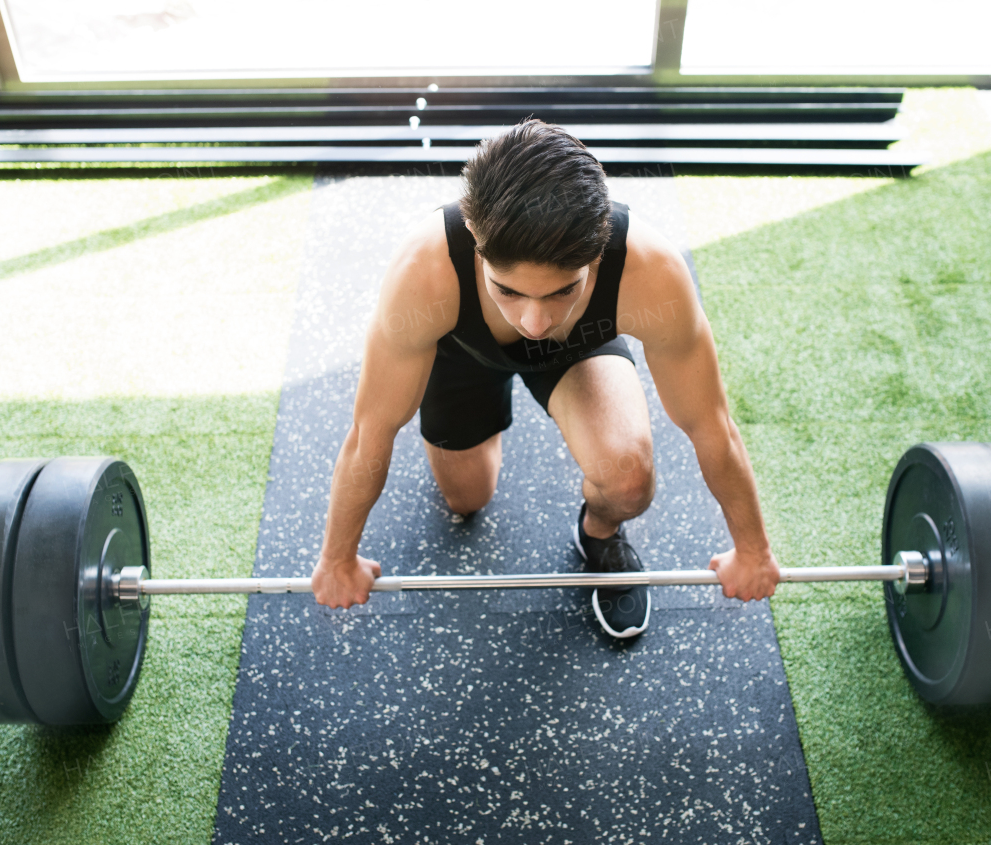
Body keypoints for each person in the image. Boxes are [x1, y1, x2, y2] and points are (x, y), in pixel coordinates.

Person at [310, 119, 780, 638]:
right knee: (467, 500)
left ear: (598, 253)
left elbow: (711, 425)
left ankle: (598, 535)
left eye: (561, 291)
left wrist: (752, 548)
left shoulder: (652, 273)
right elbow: (369, 434)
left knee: (628, 481)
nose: (533, 322)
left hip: (581, 347)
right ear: (476, 246)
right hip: (461, 351)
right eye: (508, 290)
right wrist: (337, 559)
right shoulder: (424, 273)